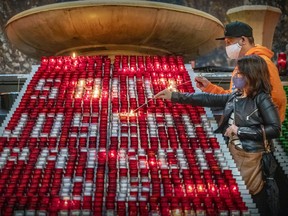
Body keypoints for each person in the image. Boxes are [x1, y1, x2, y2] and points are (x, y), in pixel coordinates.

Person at [155, 55, 281, 216]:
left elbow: (275, 129)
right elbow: (209, 98)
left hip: (250, 156)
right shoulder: (238, 95)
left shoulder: (262, 99)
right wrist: (175, 96)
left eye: (240, 73)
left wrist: (240, 131)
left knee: (246, 196)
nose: (236, 76)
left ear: (252, 75)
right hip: (234, 150)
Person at [194, 21, 287, 123]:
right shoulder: (241, 65)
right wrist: (209, 88)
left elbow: (277, 99)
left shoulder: (263, 63)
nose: (227, 47)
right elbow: (233, 96)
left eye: (229, 42)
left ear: (243, 40)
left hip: (255, 132)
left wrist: (260, 126)